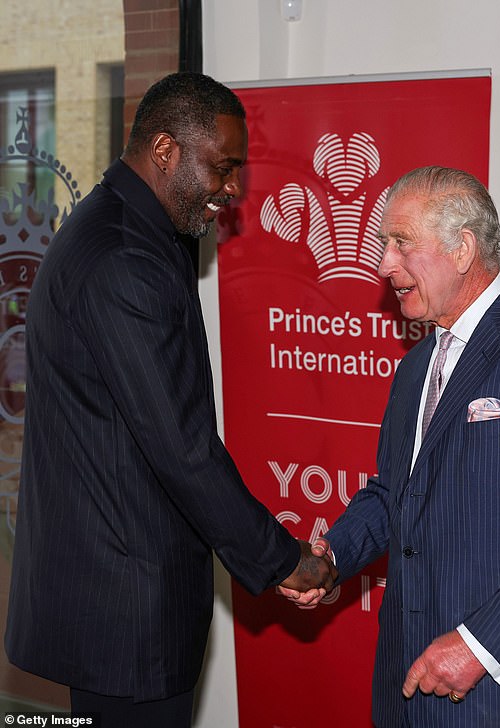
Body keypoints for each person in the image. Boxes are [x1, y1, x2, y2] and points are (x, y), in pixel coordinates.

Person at [4, 72, 336, 728]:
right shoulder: (126, 256)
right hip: (126, 615)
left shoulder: (120, 227)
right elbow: (182, 450)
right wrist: (285, 560)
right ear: (165, 151)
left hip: (114, 598)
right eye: (223, 167)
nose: (234, 188)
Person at [280, 166, 500, 727]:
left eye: (401, 243)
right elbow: (396, 490)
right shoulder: (418, 363)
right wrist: (333, 558)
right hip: (407, 690)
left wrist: (478, 647)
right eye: (383, 244)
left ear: (463, 248)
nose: (384, 264)